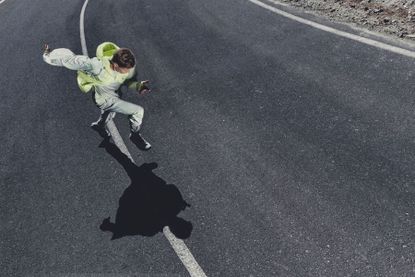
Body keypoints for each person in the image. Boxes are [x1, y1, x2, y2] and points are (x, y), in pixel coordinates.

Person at [42, 42, 152, 150]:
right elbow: (69, 60)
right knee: (138, 111)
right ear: (115, 65)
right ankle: (135, 136)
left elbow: (125, 80)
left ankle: (100, 125)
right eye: (125, 69)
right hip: (103, 100)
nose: (127, 72)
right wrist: (48, 55)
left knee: (110, 113)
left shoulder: (121, 67)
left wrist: (138, 86)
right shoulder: (96, 66)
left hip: (113, 95)